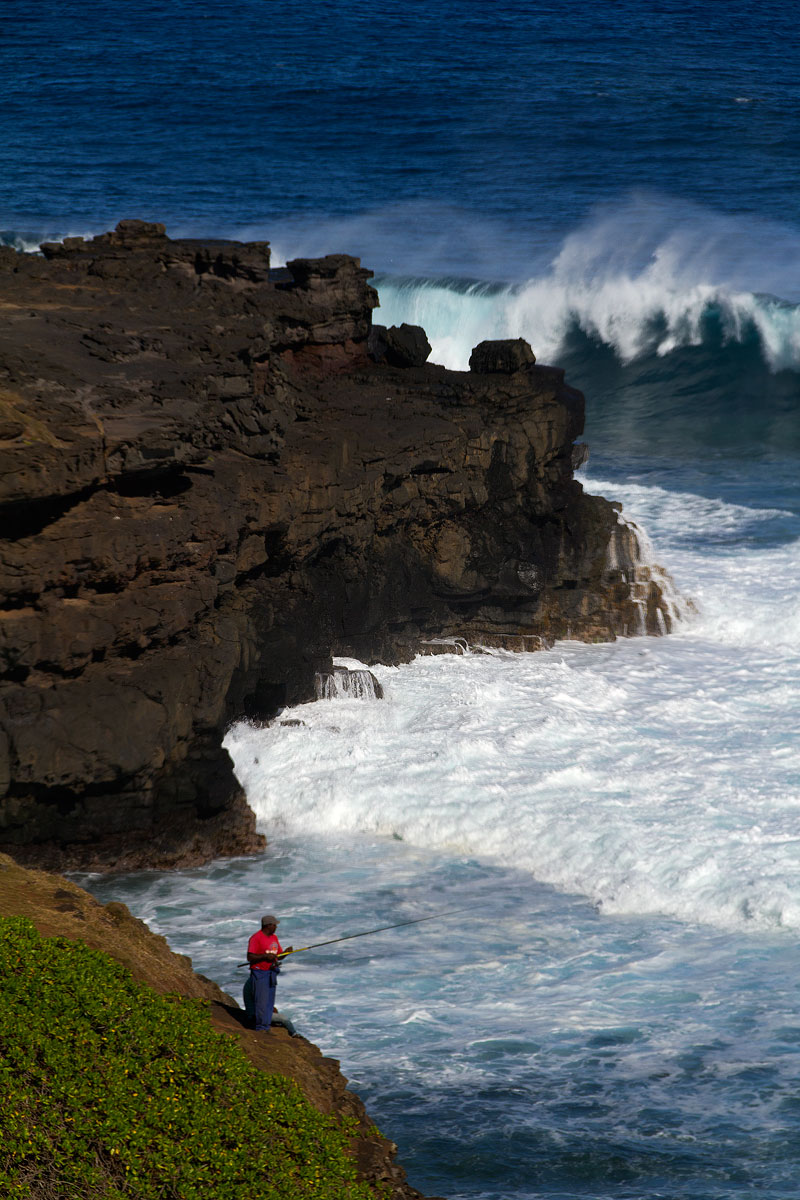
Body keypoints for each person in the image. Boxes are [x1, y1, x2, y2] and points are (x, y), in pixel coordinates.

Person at [246, 915, 293, 1032]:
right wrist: (265, 956)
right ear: (268, 925)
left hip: (272, 972)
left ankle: (266, 1026)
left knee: (268, 1003)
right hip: (260, 973)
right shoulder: (256, 938)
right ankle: (261, 1028)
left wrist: (286, 953)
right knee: (261, 1002)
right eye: (274, 925)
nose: (276, 927)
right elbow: (250, 957)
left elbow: (279, 956)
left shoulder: (274, 938)